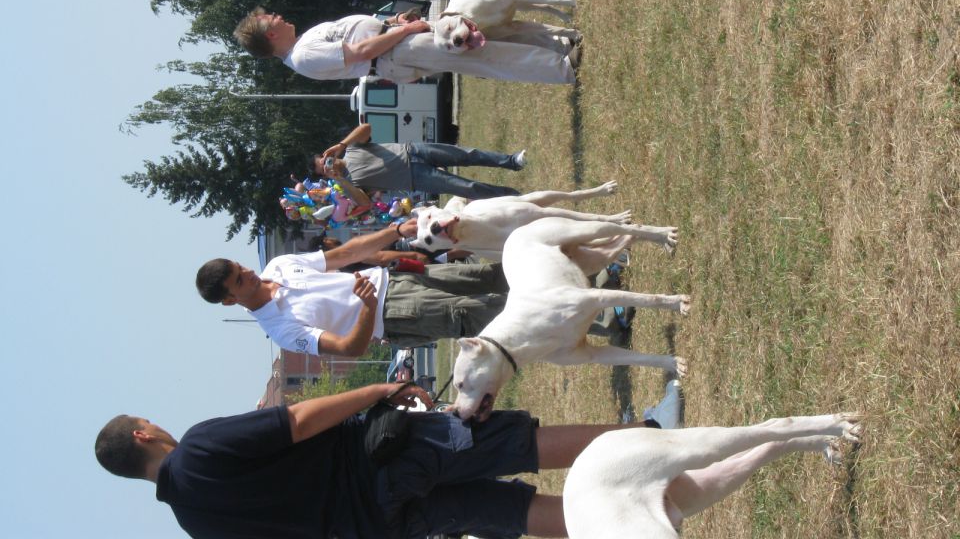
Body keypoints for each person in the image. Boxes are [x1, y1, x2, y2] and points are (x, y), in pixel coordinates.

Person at [92, 382, 686, 538]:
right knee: (511, 444)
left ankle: (649, 518)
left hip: (375, 526)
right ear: (144, 434)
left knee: (510, 513)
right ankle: (655, 435)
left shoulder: (196, 525)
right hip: (378, 460)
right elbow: (295, 423)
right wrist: (378, 393)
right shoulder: (196, 447)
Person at [195, 220, 511, 356]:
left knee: (489, 276)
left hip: (398, 279)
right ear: (229, 301)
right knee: (485, 312)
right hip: (395, 315)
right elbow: (350, 348)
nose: (249, 273)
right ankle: (558, 316)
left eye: (241, 267)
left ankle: (559, 272)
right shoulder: (281, 330)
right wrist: (369, 308)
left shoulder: (279, 265)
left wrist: (395, 230)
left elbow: (347, 254)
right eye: (239, 280)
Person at [232, 7, 581, 84]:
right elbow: (361, 52)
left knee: (482, 36)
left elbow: (359, 38)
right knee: (484, 54)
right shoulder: (304, 55)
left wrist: (394, 24)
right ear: (270, 36)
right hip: (396, 52)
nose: (276, 16)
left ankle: (558, 46)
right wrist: (405, 30)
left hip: (398, 45)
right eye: (270, 20)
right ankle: (563, 67)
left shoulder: (301, 47)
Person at [313, 122, 525, 200]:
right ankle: (515, 197)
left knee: (467, 155)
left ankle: (512, 161)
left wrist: (340, 145)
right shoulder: (350, 185)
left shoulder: (350, 148)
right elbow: (365, 203)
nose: (326, 165)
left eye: (323, 160)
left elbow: (366, 128)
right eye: (323, 169)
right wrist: (340, 181)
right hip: (416, 178)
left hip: (414, 150)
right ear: (324, 176)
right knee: (467, 188)